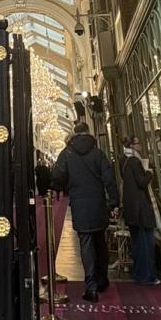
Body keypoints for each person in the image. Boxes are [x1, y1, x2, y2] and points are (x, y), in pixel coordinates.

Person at [51, 122, 119, 301]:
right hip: (98, 203)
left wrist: (62, 185)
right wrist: (114, 202)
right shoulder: (98, 153)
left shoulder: (67, 153)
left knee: (86, 244)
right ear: (88, 133)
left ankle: (91, 287)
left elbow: (57, 176)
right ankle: (102, 280)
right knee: (100, 242)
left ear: (74, 133)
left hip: (80, 205)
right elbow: (109, 179)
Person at [121, 139, 159, 285]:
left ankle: (139, 273)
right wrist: (149, 173)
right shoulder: (135, 162)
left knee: (137, 243)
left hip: (131, 209)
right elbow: (141, 182)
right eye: (138, 143)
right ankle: (147, 276)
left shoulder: (124, 161)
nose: (141, 146)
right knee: (145, 244)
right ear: (132, 146)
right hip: (141, 209)